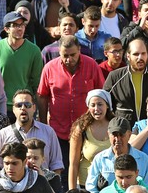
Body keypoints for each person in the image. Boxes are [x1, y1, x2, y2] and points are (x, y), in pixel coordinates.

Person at [38, 35, 105, 167]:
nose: (69, 59)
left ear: (79, 49)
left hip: (87, 130)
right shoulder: (49, 68)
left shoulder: (91, 65)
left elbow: (102, 93)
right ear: (59, 52)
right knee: (60, 169)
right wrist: (43, 125)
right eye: (65, 55)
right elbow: (42, 96)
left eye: (73, 54)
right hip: (58, 131)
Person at [0, 12, 44, 110]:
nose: (20, 28)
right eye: (15, 25)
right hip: (1, 106)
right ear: (6, 29)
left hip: (24, 106)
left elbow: (37, 83)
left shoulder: (34, 50)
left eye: (22, 25)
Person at [0, 90, 65, 176]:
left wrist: (52, 186)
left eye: (27, 105)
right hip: (13, 187)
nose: (23, 108)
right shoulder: (3, 134)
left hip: (42, 186)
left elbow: (56, 165)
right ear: (13, 109)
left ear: (34, 108)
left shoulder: (48, 132)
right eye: (19, 105)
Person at [104, 38, 148, 124]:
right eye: (136, 54)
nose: (140, 57)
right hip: (123, 131)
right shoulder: (115, 77)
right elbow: (105, 103)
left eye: (143, 53)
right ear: (128, 56)